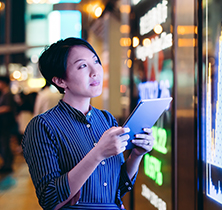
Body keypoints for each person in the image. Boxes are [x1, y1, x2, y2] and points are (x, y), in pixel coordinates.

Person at [22, 37, 154, 210]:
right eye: (82, 65)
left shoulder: (106, 120)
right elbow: (50, 199)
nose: (95, 71)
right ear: (60, 81)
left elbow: (117, 189)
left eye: (95, 61)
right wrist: (98, 153)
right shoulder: (42, 126)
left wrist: (137, 155)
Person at [0, 76, 16, 173]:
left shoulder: (8, 94)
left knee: (5, 143)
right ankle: (6, 163)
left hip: (6, 124)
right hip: (3, 124)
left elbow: (8, 107)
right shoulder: (4, 94)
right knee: (3, 143)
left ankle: (8, 164)